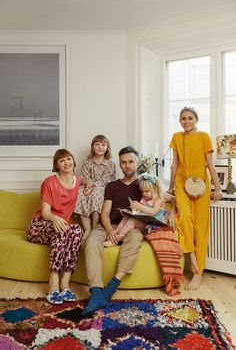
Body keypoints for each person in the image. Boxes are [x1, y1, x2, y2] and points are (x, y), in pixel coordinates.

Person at [82, 146, 177, 315]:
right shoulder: (112, 186)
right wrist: (110, 229)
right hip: (109, 225)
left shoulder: (145, 184)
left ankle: (109, 289)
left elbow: (170, 198)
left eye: (130, 161)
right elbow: (104, 213)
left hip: (134, 227)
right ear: (120, 165)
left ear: (137, 163)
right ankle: (96, 292)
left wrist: (173, 212)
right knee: (91, 241)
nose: (127, 165)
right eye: (123, 162)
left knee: (134, 238)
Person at [167, 107, 222, 291]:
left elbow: (210, 165)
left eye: (190, 118)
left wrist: (218, 187)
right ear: (180, 121)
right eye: (183, 118)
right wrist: (170, 186)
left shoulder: (204, 137)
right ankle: (191, 258)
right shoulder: (176, 137)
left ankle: (198, 274)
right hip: (182, 184)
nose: (186, 121)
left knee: (200, 227)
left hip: (201, 186)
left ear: (196, 119)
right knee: (184, 217)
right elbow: (175, 164)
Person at [27, 149, 84, 304]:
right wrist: (54, 219)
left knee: (77, 230)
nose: (67, 163)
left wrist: (91, 185)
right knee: (60, 230)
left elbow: (91, 187)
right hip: (41, 225)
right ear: (56, 165)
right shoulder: (49, 182)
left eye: (69, 159)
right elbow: (45, 213)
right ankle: (53, 283)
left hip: (63, 227)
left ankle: (65, 283)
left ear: (73, 160)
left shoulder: (79, 181)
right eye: (62, 160)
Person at [103, 172, 167, 247]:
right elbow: (141, 212)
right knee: (126, 217)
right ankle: (116, 235)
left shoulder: (158, 200)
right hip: (143, 220)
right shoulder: (144, 199)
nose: (144, 194)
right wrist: (133, 211)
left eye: (146, 191)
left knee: (132, 221)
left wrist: (140, 206)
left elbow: (153, 212)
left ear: (155, 190)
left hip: (150, 223)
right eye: (142, 191)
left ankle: (116, 240)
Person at [74, 134, 116, 240]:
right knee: (80, 192)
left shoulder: (110, 164)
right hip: (87, 186)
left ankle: (95, 227)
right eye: (97, 144)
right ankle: (87, 229)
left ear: (107, 147)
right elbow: (84, 176)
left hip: (102, 187)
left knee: (96, 192)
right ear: (92, 146)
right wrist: (88, 185)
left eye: (103, 144)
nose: (100, 147)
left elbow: (107, 180)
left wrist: (92, 186)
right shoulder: (87, 162)